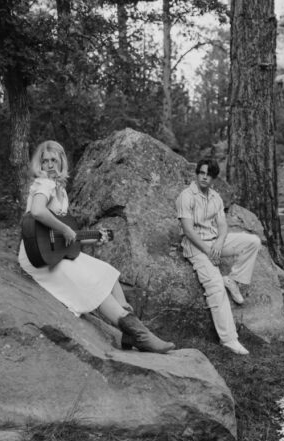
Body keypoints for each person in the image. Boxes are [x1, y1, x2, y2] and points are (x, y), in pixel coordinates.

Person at [18, 140, 174, 354]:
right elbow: (37, 212)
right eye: (45, 161)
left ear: (62, 162)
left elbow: (62, 236)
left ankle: (131, 331)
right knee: (92, 284)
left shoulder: (60, 191)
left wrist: (89, 238)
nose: (50, 165)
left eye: (54, 160)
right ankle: (141, 335)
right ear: (40, 165)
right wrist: (64, 229)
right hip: (38, 256)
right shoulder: (44, 184)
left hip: (52, 252)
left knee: (108, 273)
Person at [176, 158, 260, 356]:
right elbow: (188, 230)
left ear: (213, 178)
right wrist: (208, 251)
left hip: (215, 242)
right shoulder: (186, 196)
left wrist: (219, 244)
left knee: (253, 242)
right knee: (215, 286)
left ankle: (234, 279)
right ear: (197, 174)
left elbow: (222, 225)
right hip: (196, 247)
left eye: (209, 175)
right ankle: (229, 339)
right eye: (202, 173)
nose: (205, 177)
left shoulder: (215, 197)